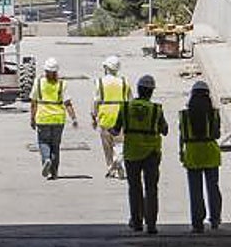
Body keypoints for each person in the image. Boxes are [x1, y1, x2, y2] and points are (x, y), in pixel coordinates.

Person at [111, 74, 168, 234]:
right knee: (151, 189)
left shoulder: (126, 107)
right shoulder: (156, 109)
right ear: (151, 92)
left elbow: (116, 130)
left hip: (132, 153)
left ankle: (136, 222)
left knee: (134, 188)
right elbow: (165, 130)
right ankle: (151, 224)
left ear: (138, 89)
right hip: (152, 153)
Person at [179, 80, 223, 232]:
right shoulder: (214, 114)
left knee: (195, 190)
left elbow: (182, 136)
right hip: (211, 152)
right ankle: (215, 220)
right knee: (213, 187)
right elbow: (217, 134)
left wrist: (181, 153)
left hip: (192, 153)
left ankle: (197, 223)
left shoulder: (185, 115)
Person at [29, 57, 77, 179]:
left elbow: (33, 102)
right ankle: (54, 172)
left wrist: (32, 118)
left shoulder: (38, 83)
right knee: (55, 145)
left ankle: (46, 159)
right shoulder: (62, 84)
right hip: (58, 119)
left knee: (43, 142)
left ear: (45, 70)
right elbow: (67, 103)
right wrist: (74, 118)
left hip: (43, 117)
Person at [91, 55, 131, 179]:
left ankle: (111, 168)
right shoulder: (124, 83)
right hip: (121, 117)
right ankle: (118, 162)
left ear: (106, 67)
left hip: (105, 116)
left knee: (107, 145)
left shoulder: (100, 82)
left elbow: (96, 101)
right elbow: (130, 101)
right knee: (119, 143)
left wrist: (93, 116)